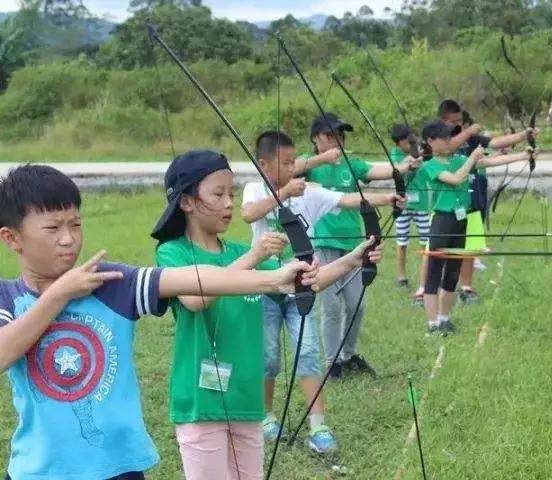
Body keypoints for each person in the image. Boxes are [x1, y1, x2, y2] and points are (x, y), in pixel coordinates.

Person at [0, 164, 323, 480]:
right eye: (53, 228)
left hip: (120, 466)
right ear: (12, 238)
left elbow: (192, 279)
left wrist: (274, 280)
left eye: (76, 225)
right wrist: (58, 295)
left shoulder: (111, 282)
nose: (69, 239)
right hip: (40, 469)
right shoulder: (7, 297)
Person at [151, 150, 385, 479]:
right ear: (186, 202)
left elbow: (301, 283)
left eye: (230, 193)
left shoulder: (237, 253)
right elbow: (195, 297)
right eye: (217, 194)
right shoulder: (172, 252)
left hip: (248, 401)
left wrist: (354, 259)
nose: (229, 203)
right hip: (201, 405)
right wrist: (256, 255)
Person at [241, 132, 400, 453]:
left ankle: (318, 425)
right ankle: (267, 416)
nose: (293, 168)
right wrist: (283, 192)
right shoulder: (256, 189)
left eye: (294, 162)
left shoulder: (308, 193)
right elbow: (248, 214)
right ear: (263, 164)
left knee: (309, 352)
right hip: (266, 287)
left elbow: (347, 200)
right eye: (285, 163)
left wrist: (386, 199)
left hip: (302, 288)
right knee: (269, 357)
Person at [299, 112, 419, 379]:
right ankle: (332, 364)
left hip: (353, 244)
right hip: (323, 244)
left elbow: (380, 170)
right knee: (330, 307)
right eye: (330, 136)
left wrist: (406, 165)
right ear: (315, 138)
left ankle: (348, 355)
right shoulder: (309, 166)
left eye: (340, 136)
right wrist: (321, 158)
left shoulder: (351, 163)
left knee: (357, 304)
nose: (337, 141)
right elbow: (288, 168)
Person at [421, 120, 537, 335]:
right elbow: (455, 179)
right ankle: (432, 324)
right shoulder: (430, 165)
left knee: (453, 273)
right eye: (443, 138)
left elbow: (490, 162)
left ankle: (444, 318)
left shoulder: (459, 159)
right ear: (430, 141)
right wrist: (473, 158)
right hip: (442, 222)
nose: (449, 141)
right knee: (434, 274)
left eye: (450, 137)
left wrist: (523, 156)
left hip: (460, 221)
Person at [438, 100, 539, 303]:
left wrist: (523, 138)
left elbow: (492, 148)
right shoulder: (437, 138)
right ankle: (430, 288)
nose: (458, 125)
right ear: (443, 120)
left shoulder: (471, 139)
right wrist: (467, 132)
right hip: (447, 203)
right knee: (442, 249)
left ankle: (466, 287)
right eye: (454, 121)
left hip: (471, 199)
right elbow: (448, 148)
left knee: (470, 245)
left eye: (461, 121)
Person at [389, 124, 431, 305]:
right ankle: (401, 276)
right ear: (398, 143)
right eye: (407, 142)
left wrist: (423, 155)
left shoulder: (419, 151)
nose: (410, 145)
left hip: (421, 203)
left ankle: (427, 276)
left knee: (426, 241)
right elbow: (398, 170)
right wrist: (411, 161)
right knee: (402, 241)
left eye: (412, 141)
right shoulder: (395, 155)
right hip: (403, 205)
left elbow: (429, 162)